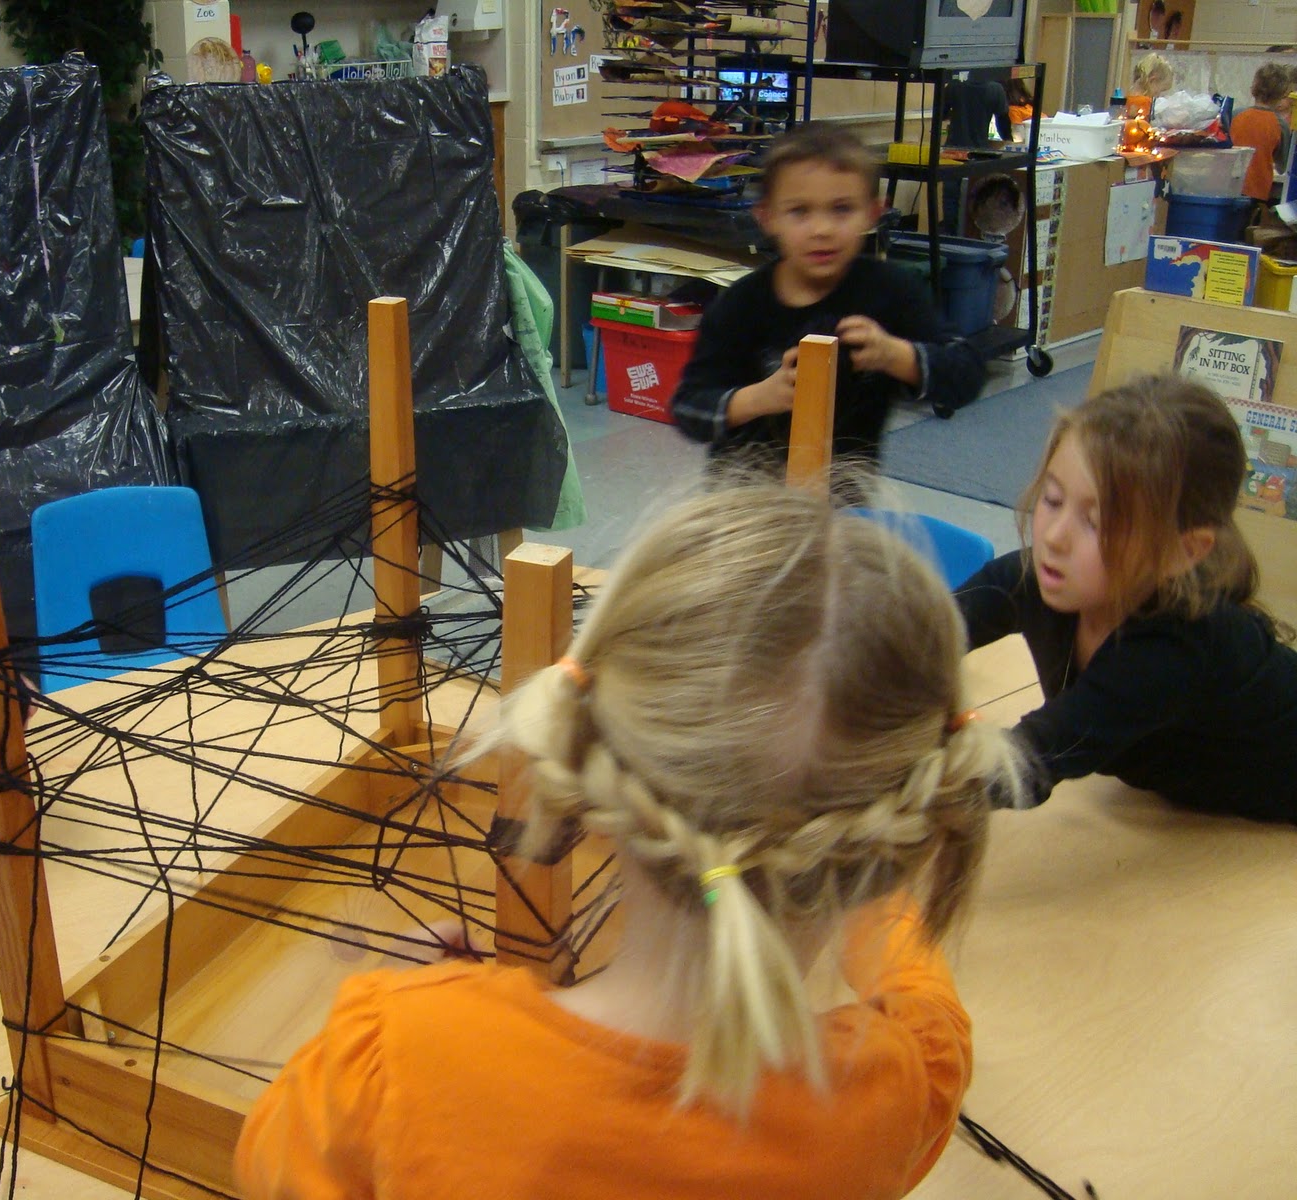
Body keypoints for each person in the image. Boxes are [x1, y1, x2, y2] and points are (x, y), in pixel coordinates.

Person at [234, 478, 1024, 1199]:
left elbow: (269, 1167)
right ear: (905, 844)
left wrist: (426, 1007)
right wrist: (847, 876)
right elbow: (936, 1025)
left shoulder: (392, 1057)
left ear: (589, 749)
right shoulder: (889, 1094)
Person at [955, 375, 1297, 824]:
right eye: (1053, 499)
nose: (1054, 538)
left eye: (1097, 524)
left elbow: (1026, 762)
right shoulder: (1037, 576)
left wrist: (883, 778)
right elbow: (926, 631)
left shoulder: (1175, 647)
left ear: (1183, 551)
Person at [671, 124, 986, 478]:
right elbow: (688, 409)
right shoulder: (740, 305)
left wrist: (896, 355)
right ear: (768, 217)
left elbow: (968, 374)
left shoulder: (892, 292)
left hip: (844, 504)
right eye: (800, 212)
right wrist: (759, 397)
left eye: (841, 209)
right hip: (746, 510)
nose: (821, 230)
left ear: (872, 213)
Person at [1230, 61, 1294, 203]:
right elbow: (1283, 165)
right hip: (1258, 189)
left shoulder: (1235, 115)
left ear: (1254, 87)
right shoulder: (1280, 124)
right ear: (1283, 93)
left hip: (1228, 185)